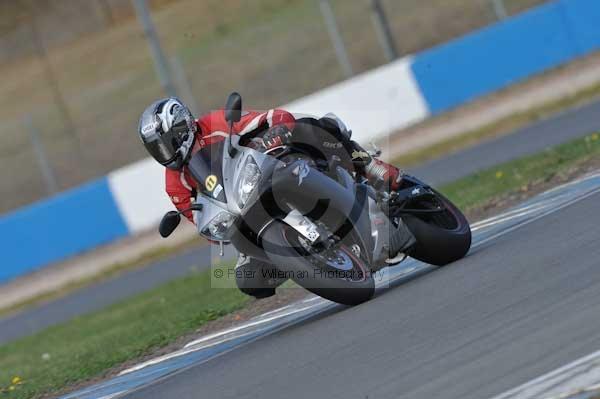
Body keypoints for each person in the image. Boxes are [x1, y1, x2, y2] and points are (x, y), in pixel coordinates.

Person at [138, 97, 412, 298]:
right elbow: (200, 219)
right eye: (156, 148)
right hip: (246, 214)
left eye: (166, 141)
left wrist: (274, 133)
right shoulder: (174, 184)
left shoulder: (215, 123)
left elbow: (270, 117)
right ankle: (300, 260)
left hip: (272, 170)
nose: (164, 151)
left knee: (311, 126)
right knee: (249, 279)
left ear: (182, 126)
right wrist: (218, 229)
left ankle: (370, 167)